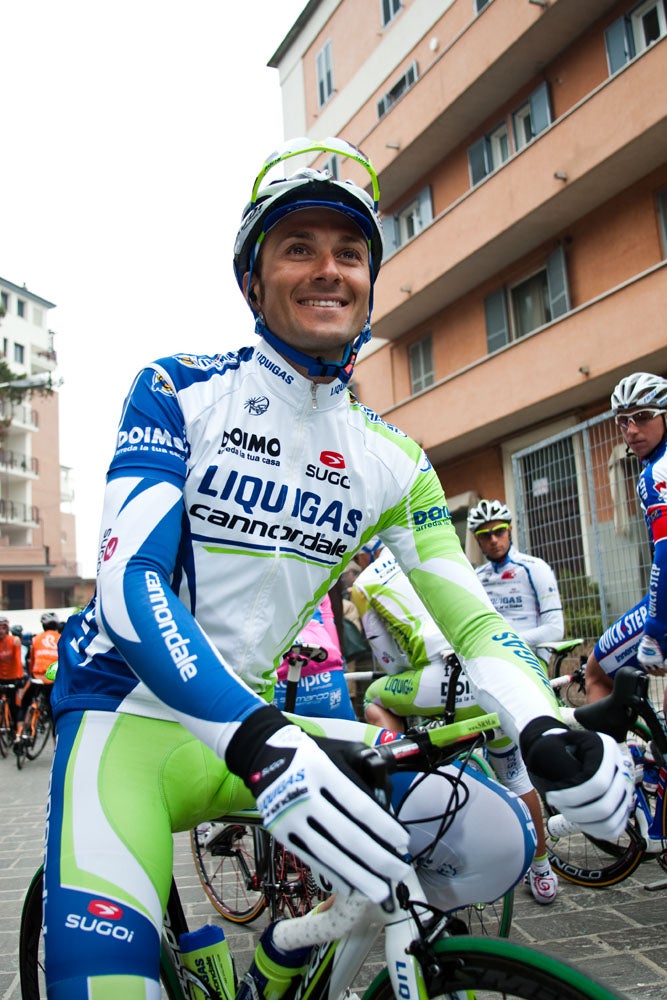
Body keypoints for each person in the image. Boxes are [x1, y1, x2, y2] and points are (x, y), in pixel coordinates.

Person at [44, 136, 630, 997]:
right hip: (125, 719)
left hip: (258, 723)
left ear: (368, 283)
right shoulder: (177, 391)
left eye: (349, 252)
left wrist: (543, 728)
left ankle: (291, 952)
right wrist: (259, 740)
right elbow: (130, 589)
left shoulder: (392, 458)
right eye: (298, 247)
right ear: (253, 282)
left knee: (489, 839)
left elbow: (472, 622)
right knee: (104, 985)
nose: (328, 269)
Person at [352, 539, 558, 904]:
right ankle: (542, 871)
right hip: (488, 673)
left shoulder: (365, 582)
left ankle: (399, 774)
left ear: (367, 551)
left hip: (440, 682)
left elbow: (389, 661)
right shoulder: (440, 548)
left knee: (373, 696)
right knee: (515, 776)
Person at [585, 373, 667, 706]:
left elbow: (665, 552)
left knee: (597, 672)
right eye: (623, 421)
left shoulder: (655, 473)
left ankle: (607, 746)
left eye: (643, 417)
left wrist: (656, 628)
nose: (631, 430)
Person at [468, 499, 564, 668]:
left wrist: (505, 644)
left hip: (529, 658)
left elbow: (555, 629)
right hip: (489, 661)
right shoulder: (476, 577)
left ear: (509, 531)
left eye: (499, 531)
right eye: (485, 535)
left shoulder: (535, 568)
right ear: (478, 540)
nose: (493, 540)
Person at [272, 592, 356, 720]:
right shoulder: (318, 583)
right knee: (344, 730)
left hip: (279, 678)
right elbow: (330, 628)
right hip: (327, 673)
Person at [15, 611, 59, 744]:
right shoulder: (61, 638)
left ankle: (18, 734)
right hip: (52, 680)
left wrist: (31, 675)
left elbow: (31, 661)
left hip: (36, 678)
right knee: (54, 713)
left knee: (24, 705)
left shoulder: (36, 639)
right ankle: (56, 742)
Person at [0, 616, 26, 751]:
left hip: (13, 678)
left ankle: (17, 735)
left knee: (15, 708)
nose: (0, 631)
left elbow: (17, 661)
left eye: (3, 628)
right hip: (0, 678)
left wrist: (19, 679)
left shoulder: (14, 640)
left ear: (7, 629)